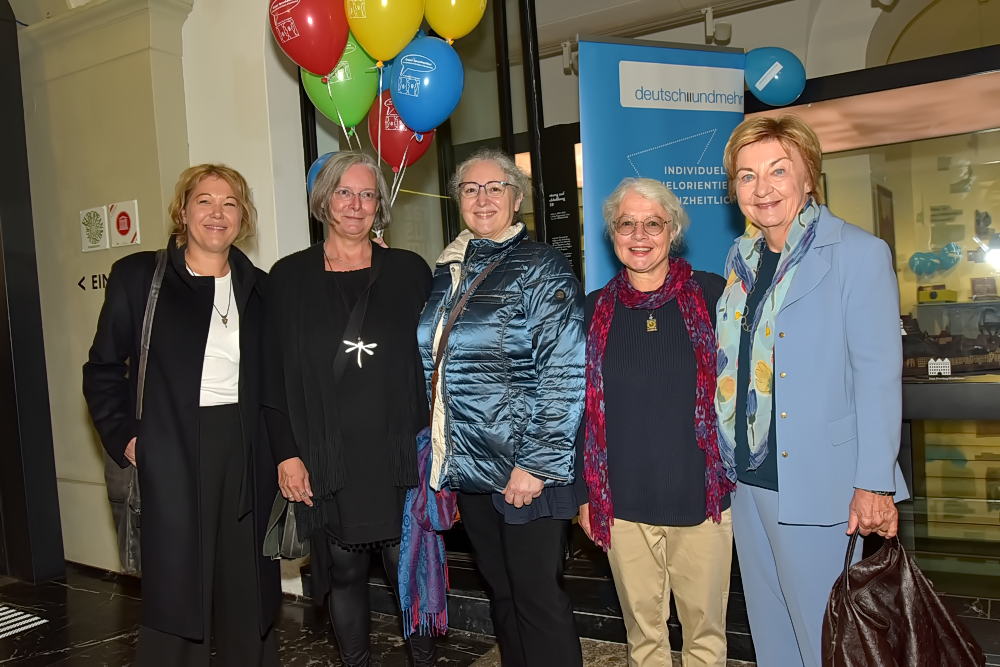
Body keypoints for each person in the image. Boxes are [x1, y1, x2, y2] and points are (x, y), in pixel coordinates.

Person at [715, 115, 908, 667]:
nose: (762, 188)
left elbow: (877, 375)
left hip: (820, 484)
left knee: (827, 640)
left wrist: (874, 483)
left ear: (809, 177)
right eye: (747, 176)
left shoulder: (856, 253)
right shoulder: (742, 260)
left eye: (778, 171)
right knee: (773, 637)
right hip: (747, 480)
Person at [83, 164, 279, 666]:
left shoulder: (259, 288)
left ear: (243, 218)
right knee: (176, 591)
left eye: (230, 203)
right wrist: (126, 437)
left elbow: (277, 378)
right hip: (171, 448)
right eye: (205, 201)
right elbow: (103, 368)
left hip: (246, 450)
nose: (217, 213)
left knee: (247, 589)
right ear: (183, 211)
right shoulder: (139, 278)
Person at [262, 151, 434, 667]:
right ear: (323, 200)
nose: (356, 205)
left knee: (411, 571)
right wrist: (287, 454)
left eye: (367, 194)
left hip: (399, 454)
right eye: (344, 193)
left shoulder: (408, 270)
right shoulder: (287, 278)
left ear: (380, 205)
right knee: (344, 573)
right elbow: (271, 376)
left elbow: (439, 359)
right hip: (328, 457)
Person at [416, 147, 585, 667]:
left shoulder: (541, 266)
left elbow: (565, 369)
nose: (483, 198)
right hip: (472, 468)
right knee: (504, 596)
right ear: (458, 200)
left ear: (517, 199)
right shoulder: (447, 272)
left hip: (524, 468)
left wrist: (536, 464)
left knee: (537, 600)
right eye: (471, 189)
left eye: (496, 188)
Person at [576, 177, 735, 667]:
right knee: (643, 640)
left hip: (702, 499)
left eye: (653, 224)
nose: (639, 235)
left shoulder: (713, 295)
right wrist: (585, 494)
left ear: (673, 231)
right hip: (621, 504)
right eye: (627, 224)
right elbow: (579, 412)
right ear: (612, 233)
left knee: (705, 638)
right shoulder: (592, 309)